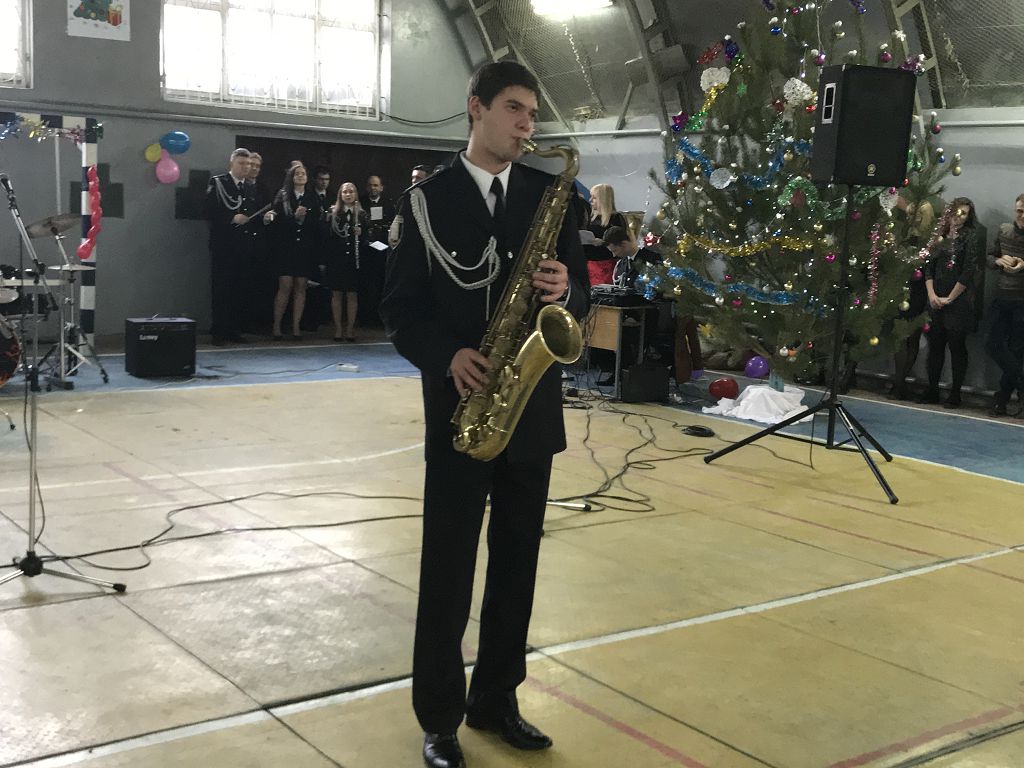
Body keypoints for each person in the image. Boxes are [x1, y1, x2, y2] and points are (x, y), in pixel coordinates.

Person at [380, 61, 589, 768]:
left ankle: (497, 700)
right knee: (448, 569)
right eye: (514, 109)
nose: (527, 125)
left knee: (517, 566)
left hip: (532, 411)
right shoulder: (425, 201)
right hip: (461, 409)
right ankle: (439, 718)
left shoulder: (551, 195)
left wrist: (566, 290)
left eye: (532, 113)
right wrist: (447, 356)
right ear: (476, 108)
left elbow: (580, 300)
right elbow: (400, 311)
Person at [919, 200, 979, 407]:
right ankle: (932, 389)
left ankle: (955, 393)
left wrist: (951, 298)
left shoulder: (970, 237)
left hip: (958, 300)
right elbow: (928, 267)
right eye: (955, 212)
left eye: (964, 214)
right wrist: (932, 294)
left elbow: (968, 271)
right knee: (935, 345)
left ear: (969, 217)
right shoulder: (939, 235)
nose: (958, 217)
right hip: (936, 296)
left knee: (956, 346)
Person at [203, 148, 256, 345]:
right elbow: (207, 210)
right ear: (231, 164)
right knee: (221, 289)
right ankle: (219, 331)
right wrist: (232, 218)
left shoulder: (248, 187)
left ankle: (233, 329)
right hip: (223, 245)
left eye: (248, 164)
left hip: (242, 245)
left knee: (238, 288)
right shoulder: (218, 183)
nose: (246, 167)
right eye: (242, 163)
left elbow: (250, 212)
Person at [266, 162, 322, 340]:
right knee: (285, 285)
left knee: (301, 287)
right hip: (286, 247)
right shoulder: (283, 195)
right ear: (291, 177)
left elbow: (316, 224)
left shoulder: (312, 197)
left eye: (303, 173)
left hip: (304, 248)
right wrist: (294, 218)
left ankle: (296, 326)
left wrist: (305, 219)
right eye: (297, 173)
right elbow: (276, 223)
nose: (300, 176)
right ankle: (277, 326)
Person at [985, 193, 1024, 415]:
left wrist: (1022, 264)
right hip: (1002, 296)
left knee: (1017, 351)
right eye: (1019, 211)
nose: (1022, 216)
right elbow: (990, 257)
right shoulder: (1004, 230)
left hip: (1022, 301)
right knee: (993, 345)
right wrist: (999, 261)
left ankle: (1002, 399)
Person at [325, 182, 368, 342]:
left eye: (351, 192)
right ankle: (338, 328)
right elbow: (327, 238)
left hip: (354, 261)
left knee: (352, 294)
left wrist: (361, 233)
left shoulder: (361, 214)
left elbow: (368, 239)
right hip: (337, 260)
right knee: (336, 294)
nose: (348, 195)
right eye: (345, 192)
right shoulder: (333, 213)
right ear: (340, 195)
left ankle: (350, 329)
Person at [584, 183, 626, 286]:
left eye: (594, 198)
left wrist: (603, 242)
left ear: (602, 199)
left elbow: (620, 242)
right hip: (587, 263)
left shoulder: (616, 218)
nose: (590, 200)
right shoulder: (590, 217)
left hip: (606, 264)